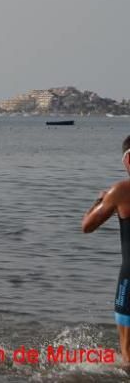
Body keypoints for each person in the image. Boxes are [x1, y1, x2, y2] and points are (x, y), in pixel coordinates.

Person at [82, 135, 130, 363]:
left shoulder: (121, 190)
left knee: (127, 351)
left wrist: (99, 200)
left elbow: (87, 226)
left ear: (127, 161)